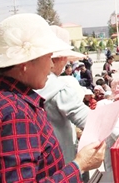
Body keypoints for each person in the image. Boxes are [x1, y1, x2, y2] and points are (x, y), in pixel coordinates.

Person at [0, 13, 106, 182]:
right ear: (25, 63)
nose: (51, 65)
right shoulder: (15, 113)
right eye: (48, 57)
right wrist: (79, 166)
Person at [36, 25, 89, 165]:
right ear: (60, 58)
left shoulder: (27, 86)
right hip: (61, 164)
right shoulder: (58, 88)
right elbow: (91, 121)